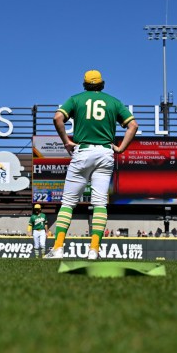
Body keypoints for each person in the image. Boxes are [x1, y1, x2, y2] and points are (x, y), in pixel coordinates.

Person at [45, 70, 138, 260]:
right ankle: (94, 250)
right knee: (100, 204)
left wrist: (65, 141)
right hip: (105, 152)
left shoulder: (76, 99)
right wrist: (120, 148)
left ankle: (58, 248)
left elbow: (57, 118)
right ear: (102, 84)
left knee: (69, 203)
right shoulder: (113, 101)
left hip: (83, 151)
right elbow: (133, 125)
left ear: (84, 84)